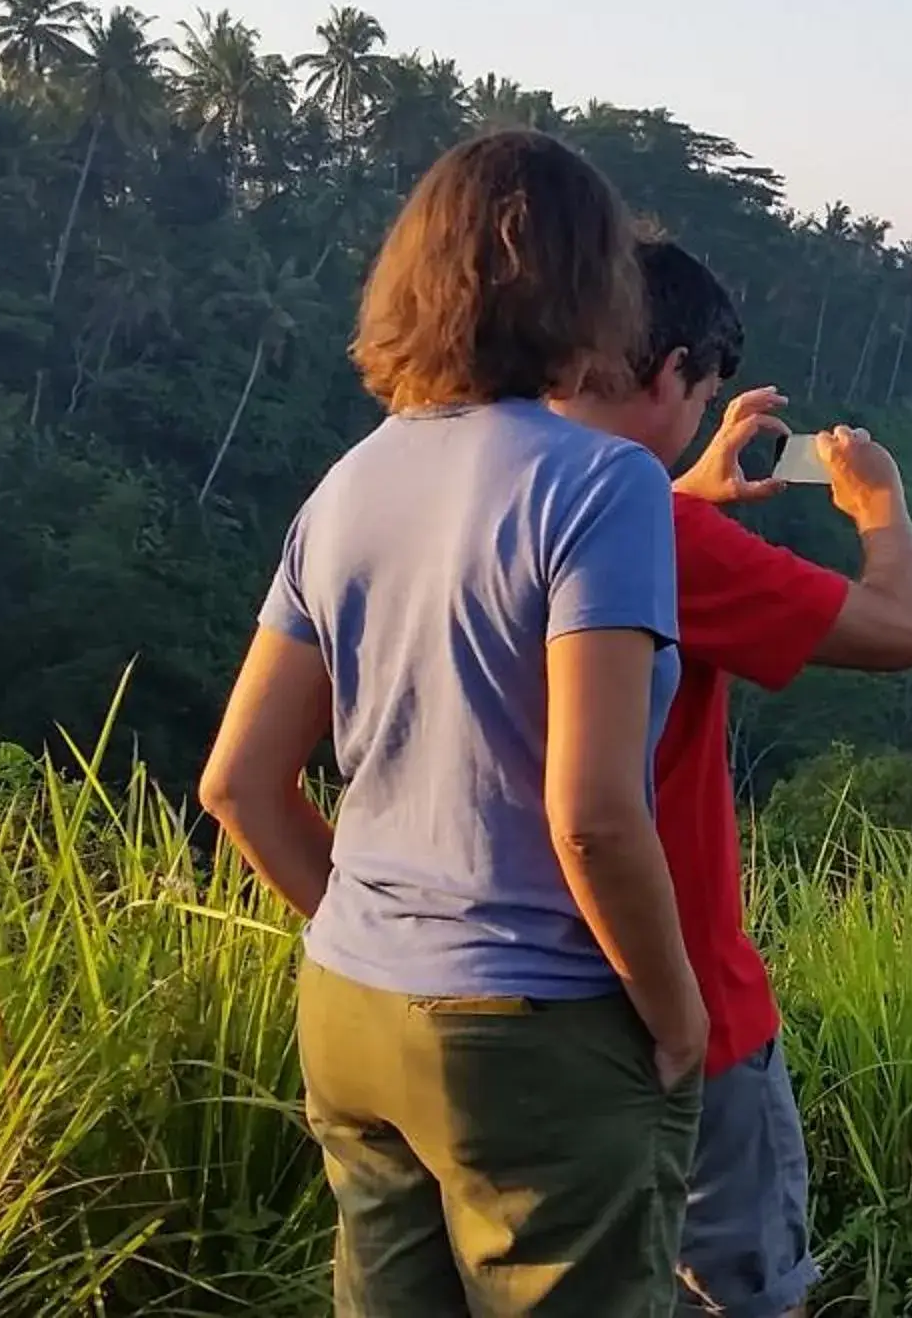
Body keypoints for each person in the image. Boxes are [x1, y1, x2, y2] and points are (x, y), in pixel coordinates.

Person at [198, 131, 705, 1318]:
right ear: (591, 288)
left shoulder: (347, 485)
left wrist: (379, 934)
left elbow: (239, 783)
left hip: (350, 1009)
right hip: (533, 1034)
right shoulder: (602, 484)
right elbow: (590, 816)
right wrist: (679, 1016)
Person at [553, 238, 912, 1317]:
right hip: (687, 1010)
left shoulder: (490, 497)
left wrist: (692, 489)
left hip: (517, 1013)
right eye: (706, 392)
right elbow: (903, 629)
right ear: (671, 371)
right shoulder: (658, 530)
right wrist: (879, 504)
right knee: (739, 1292)